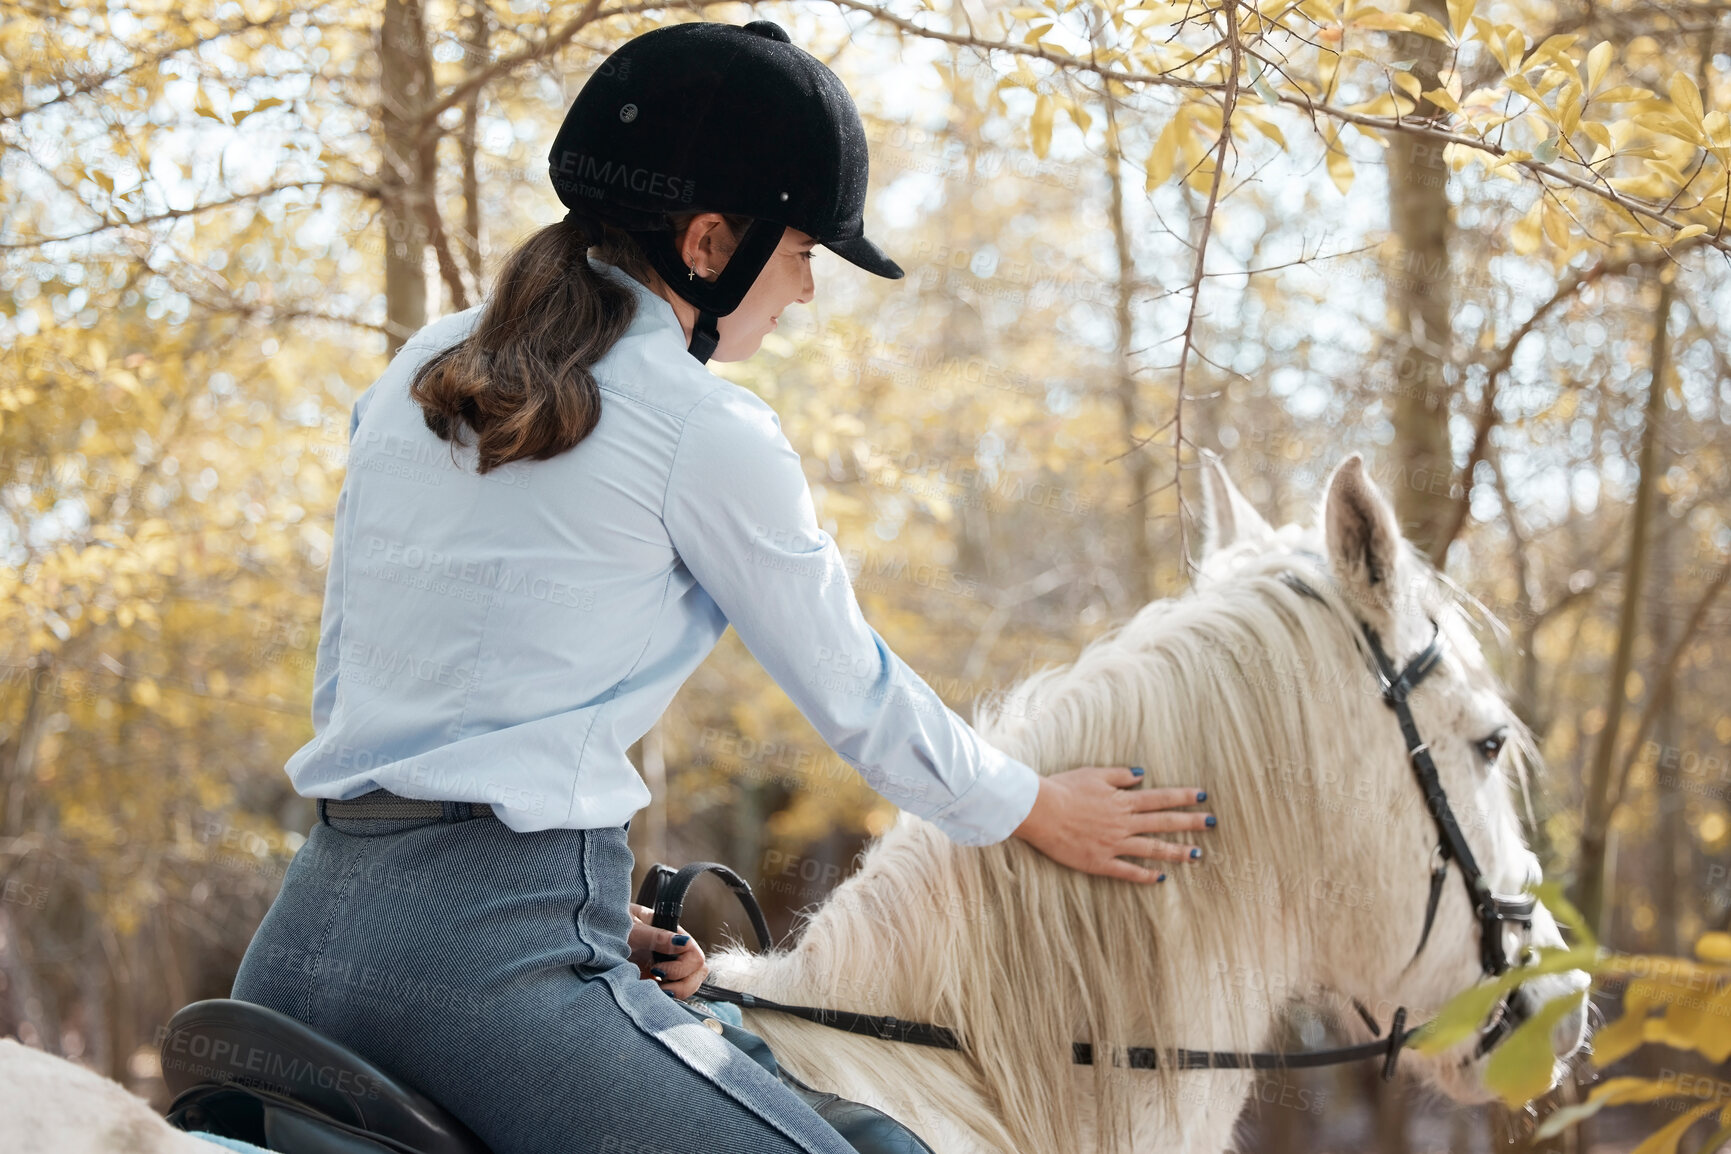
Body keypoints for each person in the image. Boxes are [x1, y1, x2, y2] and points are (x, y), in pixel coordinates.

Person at [231, 19, 1215, 1154]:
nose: (805, 293)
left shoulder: (422, 361)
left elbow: (347, 670)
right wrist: (1039, 806)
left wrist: (588, 919)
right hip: (484, 969)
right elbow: (859, 696)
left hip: (301, 940)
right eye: (803, 255)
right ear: (708, 243)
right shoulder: (707, 427)